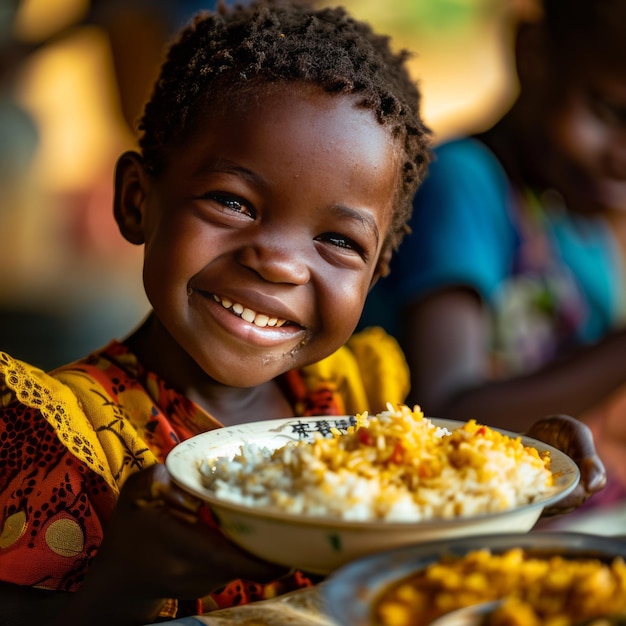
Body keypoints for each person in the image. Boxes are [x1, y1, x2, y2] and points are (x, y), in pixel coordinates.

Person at [0, 1, 605, 624]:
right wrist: (125, 581)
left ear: (377, 275)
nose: (280, 265)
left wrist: (504, 490)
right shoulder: (61, 436)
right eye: (232, 202)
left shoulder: (355, 402)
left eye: (340, 242)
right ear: (137, 203)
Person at [359, 0, 626, 497]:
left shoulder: (584, 223)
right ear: (533, 55)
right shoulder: (463, 183)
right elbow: (448, 411)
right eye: (609, 111)